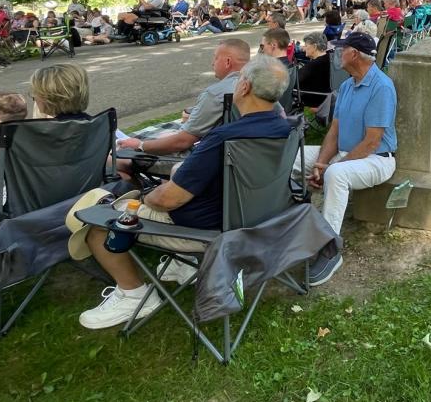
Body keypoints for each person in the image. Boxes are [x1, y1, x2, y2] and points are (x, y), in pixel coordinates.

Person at [76, 57, 296, 329]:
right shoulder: (287, 128)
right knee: (179, 172)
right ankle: (183, 265)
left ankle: (133, 294)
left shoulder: (224, 138)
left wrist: (145, 197)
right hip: (260, 218)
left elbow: (169, 200)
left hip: (209, 231)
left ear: (244, 87)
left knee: (98, 224)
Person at [300, 32, 397, 283]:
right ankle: (296, 224)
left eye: (342, 50)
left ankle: (330, 249)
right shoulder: (346, 85)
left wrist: (330, 167)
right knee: (295, 158)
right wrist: (321, 162)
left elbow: (371, 142)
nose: (337, 54)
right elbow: (334, 130)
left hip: (377, 159)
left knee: (336, 173)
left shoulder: (381, 87)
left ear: (354, 54)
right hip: (347, 155)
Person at [117, 40, 251, 161]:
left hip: (212, 162)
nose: (212, 63)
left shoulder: (215, 93)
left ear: (227, 62)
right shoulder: (258, 85)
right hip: (245, 157)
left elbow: (181, 142)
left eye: (215, 58)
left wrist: (140, 145)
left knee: (116, 158)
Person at [296, 32, 332, 108]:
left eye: (306, 46)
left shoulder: (314, 65)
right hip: (329, 99)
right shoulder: (331, 59)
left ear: (315, 47)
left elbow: (294, 82)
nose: (304, 48)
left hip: (314, 102)